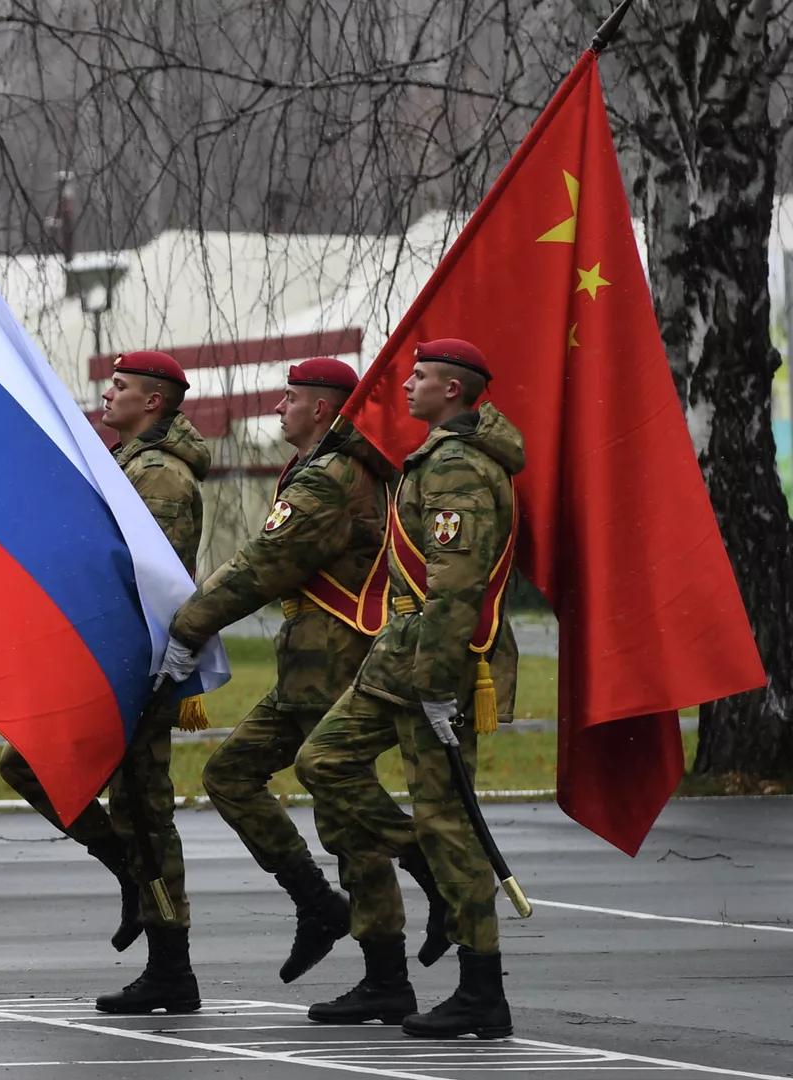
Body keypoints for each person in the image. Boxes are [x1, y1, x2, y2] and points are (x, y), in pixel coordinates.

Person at [292, 338, 523, 1038]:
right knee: (322, 761)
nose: (408, 386)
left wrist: (435, 683)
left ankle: (482, 991)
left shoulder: (456, 468)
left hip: (433, 668)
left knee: (449, 820)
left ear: (453, 390)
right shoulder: (434, 459)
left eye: (420, 377)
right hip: (398, 659)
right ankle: (417, 854)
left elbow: (456, 587)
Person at [164, 358, 407, 986]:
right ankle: (320, 905)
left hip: (332, 659)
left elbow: (263, 564)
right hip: (309, 659)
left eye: (291, 397)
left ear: (322, 409)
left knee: (344, 817)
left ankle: (393, 955)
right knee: (232, 775)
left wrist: (189, 627)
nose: (279, 408)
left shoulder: (330, 476)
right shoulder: (321, 468)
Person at [0, 349, 211, 1015]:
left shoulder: (162, 478)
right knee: (29, 766)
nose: (106, 394)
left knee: (146, 812)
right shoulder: (127, 464)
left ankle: (171, 968)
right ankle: (127, 872)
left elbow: (150, 577)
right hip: (104, 656)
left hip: (135, 663)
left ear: (153, 401)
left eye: (119, 386)